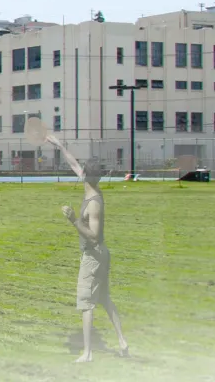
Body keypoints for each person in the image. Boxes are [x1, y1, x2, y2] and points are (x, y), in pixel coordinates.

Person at [60, 150, 128, 362]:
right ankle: (123, 342)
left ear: (89, 176)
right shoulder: (90, 186)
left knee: (86, 302)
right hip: (100, 255)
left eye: (84, 171)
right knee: (105, 300)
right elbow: (73, 163)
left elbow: (94, 237)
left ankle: (87, 353)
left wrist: (74, 220)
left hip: (94, 256)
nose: (80, 172)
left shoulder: (94, 202)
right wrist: (58, 144)